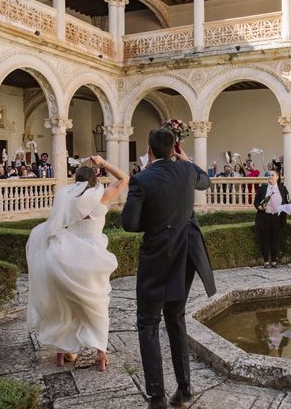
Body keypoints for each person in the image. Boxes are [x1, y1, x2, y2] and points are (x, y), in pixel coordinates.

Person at [122, 128, 216, 409]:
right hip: (186, 254)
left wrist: (154, 221)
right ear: (175, 148)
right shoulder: (187, 172)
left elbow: (129, 224)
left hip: (158, 256)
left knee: (148, 323)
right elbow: (206, 181)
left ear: (149, 151)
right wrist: (185, 159)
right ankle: (184, 390)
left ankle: (156, 398)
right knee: (175, 316)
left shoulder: (142, 179)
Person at [26, 155, 129, 372]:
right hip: (92, 257)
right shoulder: (102, 197)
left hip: (65, 256)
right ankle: (101, 355)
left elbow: (54, 225)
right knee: (98, 305)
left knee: (66, 305)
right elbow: (124, 178)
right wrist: (102, 162)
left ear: (76, 181)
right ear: (94, 179)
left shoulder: (65, 198)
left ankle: (62, 354)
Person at [254, 169, 290, 268]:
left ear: (277, 177)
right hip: (265, 217)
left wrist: (286, 207)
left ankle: (274, 261)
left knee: (275, 240)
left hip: (277, 218)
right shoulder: (262, 188)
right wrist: (261, 207)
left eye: (272, 175)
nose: (270, 177)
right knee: (264, 239)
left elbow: (287, 201)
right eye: (269, 175)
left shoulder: (283, 189)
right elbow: (256, 203)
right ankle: (266, 261)